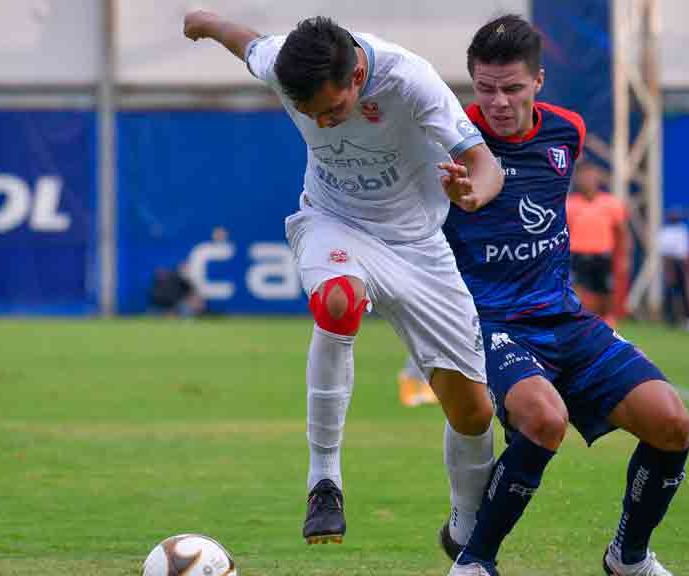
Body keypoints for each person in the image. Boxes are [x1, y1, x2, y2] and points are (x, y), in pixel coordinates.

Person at [183, 11, 503, 546]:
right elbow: (246, 42)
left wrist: (475, 193)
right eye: (312, 115)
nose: (325, 123)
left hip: (417, 245)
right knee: (338, 301)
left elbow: (483, 161)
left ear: (358, 76)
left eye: (333, 110)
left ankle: (465, 531)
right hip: (333, 222)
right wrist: (205, 22)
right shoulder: (284, 64)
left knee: (473, 413)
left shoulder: (410, 79)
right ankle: (324, 481)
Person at [442, 16, 689, 576]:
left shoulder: (567, 132)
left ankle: (628, 557)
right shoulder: (450, 143)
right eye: (485, 88)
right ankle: (474, 561)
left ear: (539, 82)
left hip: (564, 315)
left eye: (512, 87)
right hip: (490, 320)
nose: (498, 101)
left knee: (672, 423)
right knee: (544, 420)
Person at [566, 161, 629, 325]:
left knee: (605, 295)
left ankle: (607, 325)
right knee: (578, 294)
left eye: (591, 175)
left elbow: (622, 233)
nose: (588, 179)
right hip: (577, 256)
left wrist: (624, 258)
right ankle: (580, 325)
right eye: (584, 176)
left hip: (603, 256)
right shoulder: (569, 204)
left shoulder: (611, 203)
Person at [659, 208, 689, 328]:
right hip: (671, 263)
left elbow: (685, 251)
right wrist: (669, 270)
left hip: (680, 264)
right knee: (670, 291)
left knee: (683, 292)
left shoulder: (682, 230)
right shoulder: (665, 231)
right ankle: (669, 318)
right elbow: (665, 252)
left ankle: (688, 318)